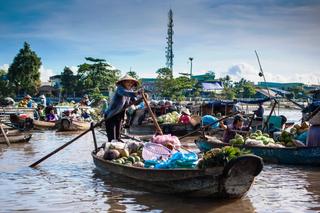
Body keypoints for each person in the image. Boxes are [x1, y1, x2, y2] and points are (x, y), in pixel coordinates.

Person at [104, 74, 141, 142]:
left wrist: (142, 98)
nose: (130, 84)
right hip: (111, 115)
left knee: (118, 137)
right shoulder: (120, 89)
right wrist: (137, 93)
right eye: (128, 82)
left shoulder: (131, 91)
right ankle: (111, 148)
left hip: (120, 115)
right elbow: (125, 93)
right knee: (112, 138)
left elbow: (135, 102)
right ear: (123, 82)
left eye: (131, 82)